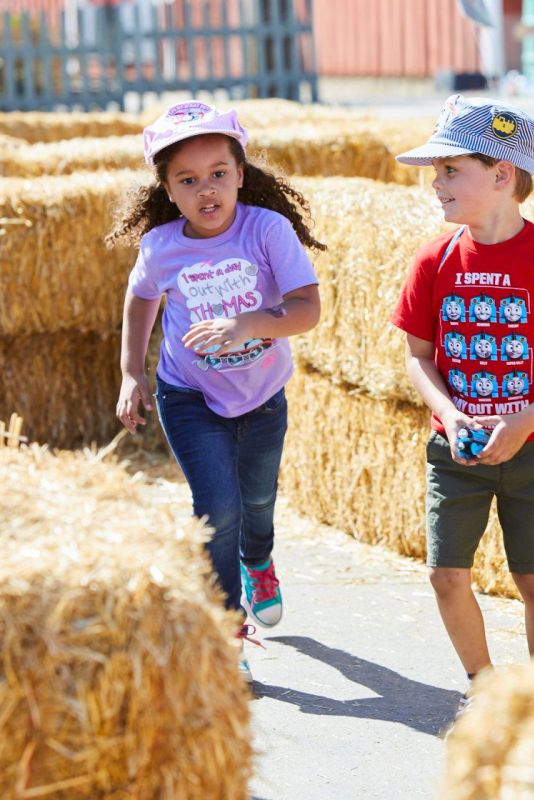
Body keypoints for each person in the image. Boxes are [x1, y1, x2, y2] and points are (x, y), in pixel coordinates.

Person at [390, 95, 534, 710]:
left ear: (502, 175)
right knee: (445, 574)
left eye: (449, 169)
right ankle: (484, 688)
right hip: (453, 446)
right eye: (437, 172)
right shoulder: (433, 260)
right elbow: (418, 357)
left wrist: (528, 418)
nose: (437, 183)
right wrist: (451, 413)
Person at [108, 101, 323, 682]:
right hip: (188, 396)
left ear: (241, 174)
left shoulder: (267, 230)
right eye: (188, 180)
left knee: (256, 502)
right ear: (168, 191)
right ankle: (229, 636)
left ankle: (259, 562)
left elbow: (307, 309)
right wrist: (131, 372)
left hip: (262, 395)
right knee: (218, 510)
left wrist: (250, 323)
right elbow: (140, 300)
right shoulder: (160, 247)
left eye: (218, 174)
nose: (207, 190)